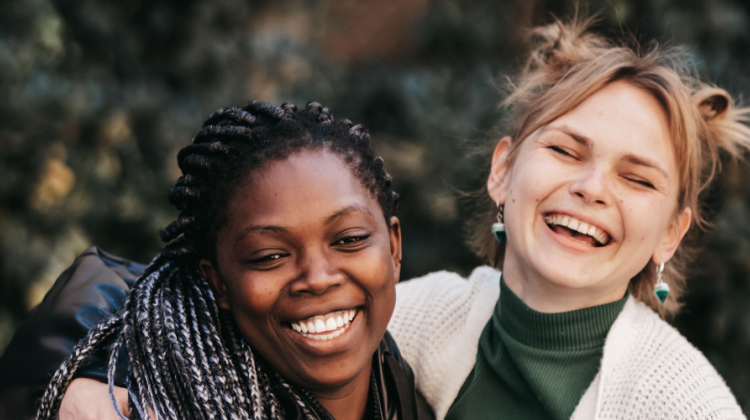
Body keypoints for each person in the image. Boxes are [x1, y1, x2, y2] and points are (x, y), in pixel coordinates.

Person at [3, 16, 749, 420]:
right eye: (567, 150)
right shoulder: (429, 318)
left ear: (673, 231)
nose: (592, 188)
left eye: (636, 177)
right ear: (502, 170)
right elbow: (161, 295)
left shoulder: (681, 403)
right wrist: (75, 380)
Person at [0, 101, 433, 420]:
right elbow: (101, 300)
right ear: (219, 283)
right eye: (269, 256)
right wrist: (69, 384)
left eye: (349, 239)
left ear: (393, 247)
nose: (317, 278)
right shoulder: (160, 403)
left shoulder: (410, 393)